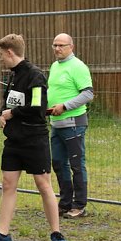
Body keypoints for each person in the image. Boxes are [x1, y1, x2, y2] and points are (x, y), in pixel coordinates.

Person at [0, 34, 71, 241]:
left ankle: (57, 235)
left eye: (1, 55)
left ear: (10, 52)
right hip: (13, 141)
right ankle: (2, 234)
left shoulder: (35, 76)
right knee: (8, 184)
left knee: (43, 184)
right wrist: (0, 114)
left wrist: (11, 114)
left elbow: (36, 107)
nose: (0, 59)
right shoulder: (12, 76)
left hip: (34, 140)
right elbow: (8, 104)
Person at [47, 33, 94, 218]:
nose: (57, 49)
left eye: (61, 45)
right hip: (56, 124)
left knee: (76, 164)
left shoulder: (78, 67)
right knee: (58, 163)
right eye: (55, 45)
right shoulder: (54, 66)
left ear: (71, 47)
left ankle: (79, 205)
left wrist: (65, 106)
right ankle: (65, 202)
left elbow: (88, 94)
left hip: (74, 123)